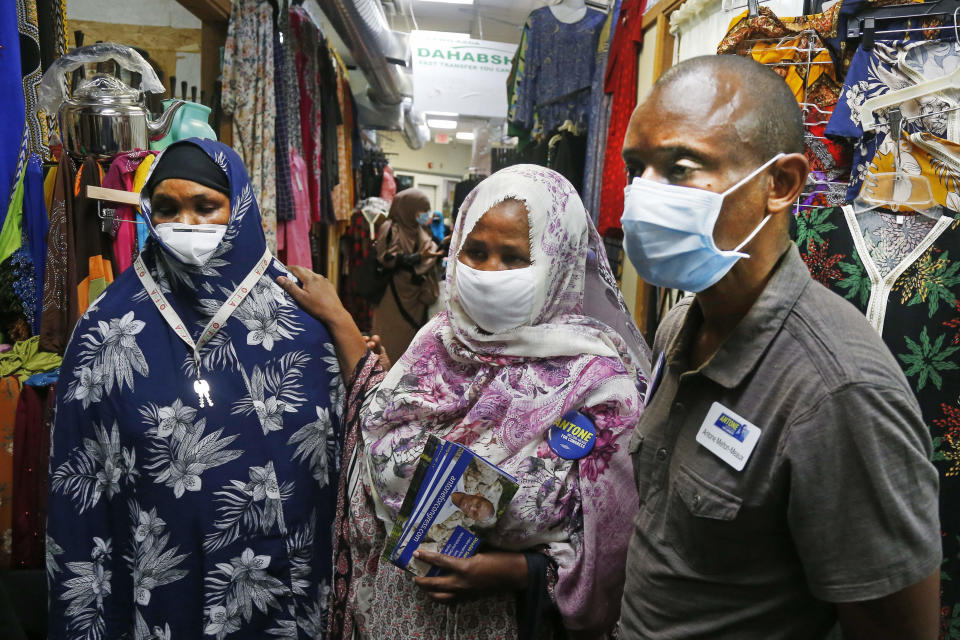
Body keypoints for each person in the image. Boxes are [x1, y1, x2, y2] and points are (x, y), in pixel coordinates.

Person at [617, 54, 941, 639]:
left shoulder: (838, 392)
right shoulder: (680, 329)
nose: (643, 197)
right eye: (635, 168)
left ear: (781, 183)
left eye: (681, 167)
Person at [278, 164, 650, 639]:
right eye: (476, 252)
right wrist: (338, 319)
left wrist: (513, 572)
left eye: (514, 257)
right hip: (390, 619)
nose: (489, 273)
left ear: (558, 261)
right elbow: (378, 417)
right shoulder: (436, 344)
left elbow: (613, 554)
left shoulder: (600, 391)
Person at [47, 140, 344, 639]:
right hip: (161, 589)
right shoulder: (106, 329)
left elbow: (344, 464)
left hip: (286, 590)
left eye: (206, 206)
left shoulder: (304, 323)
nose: (186, 223)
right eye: (167, 208)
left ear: (240, 206)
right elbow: (81, 488)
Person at [372, 188, 444, 363]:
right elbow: (387, 259)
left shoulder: (420, 230)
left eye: (426, 210)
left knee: (411, 345)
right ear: (408, 209)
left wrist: (440, 246)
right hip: (393, 297)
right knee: (390, 341)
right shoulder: (391, 228)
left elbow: (429, 252)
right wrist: (419, 257)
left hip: (416, 299)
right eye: (421, 210)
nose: (424, 215)